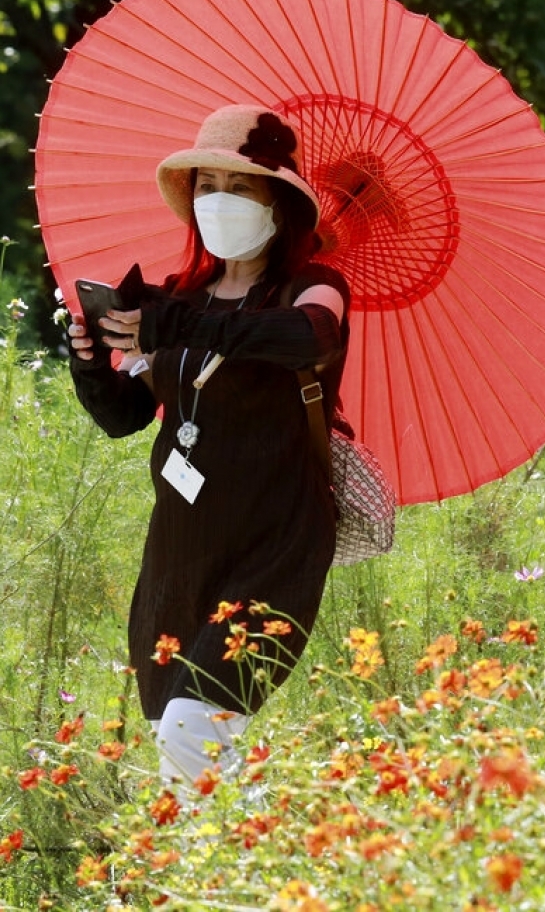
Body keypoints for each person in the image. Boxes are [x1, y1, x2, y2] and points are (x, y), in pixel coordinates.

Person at [66, 105, 350, 795]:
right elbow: (125, 418)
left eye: (240, 185)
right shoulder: (178, 298)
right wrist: (91, 364)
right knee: (182, 752)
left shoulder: (313, 289)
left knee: (193, 729)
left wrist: (178, 324)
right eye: (206, 183)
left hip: (275, 548)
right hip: (182, 548)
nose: (218, 198)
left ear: (278, 204)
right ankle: (247, 872)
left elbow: (307, 338)